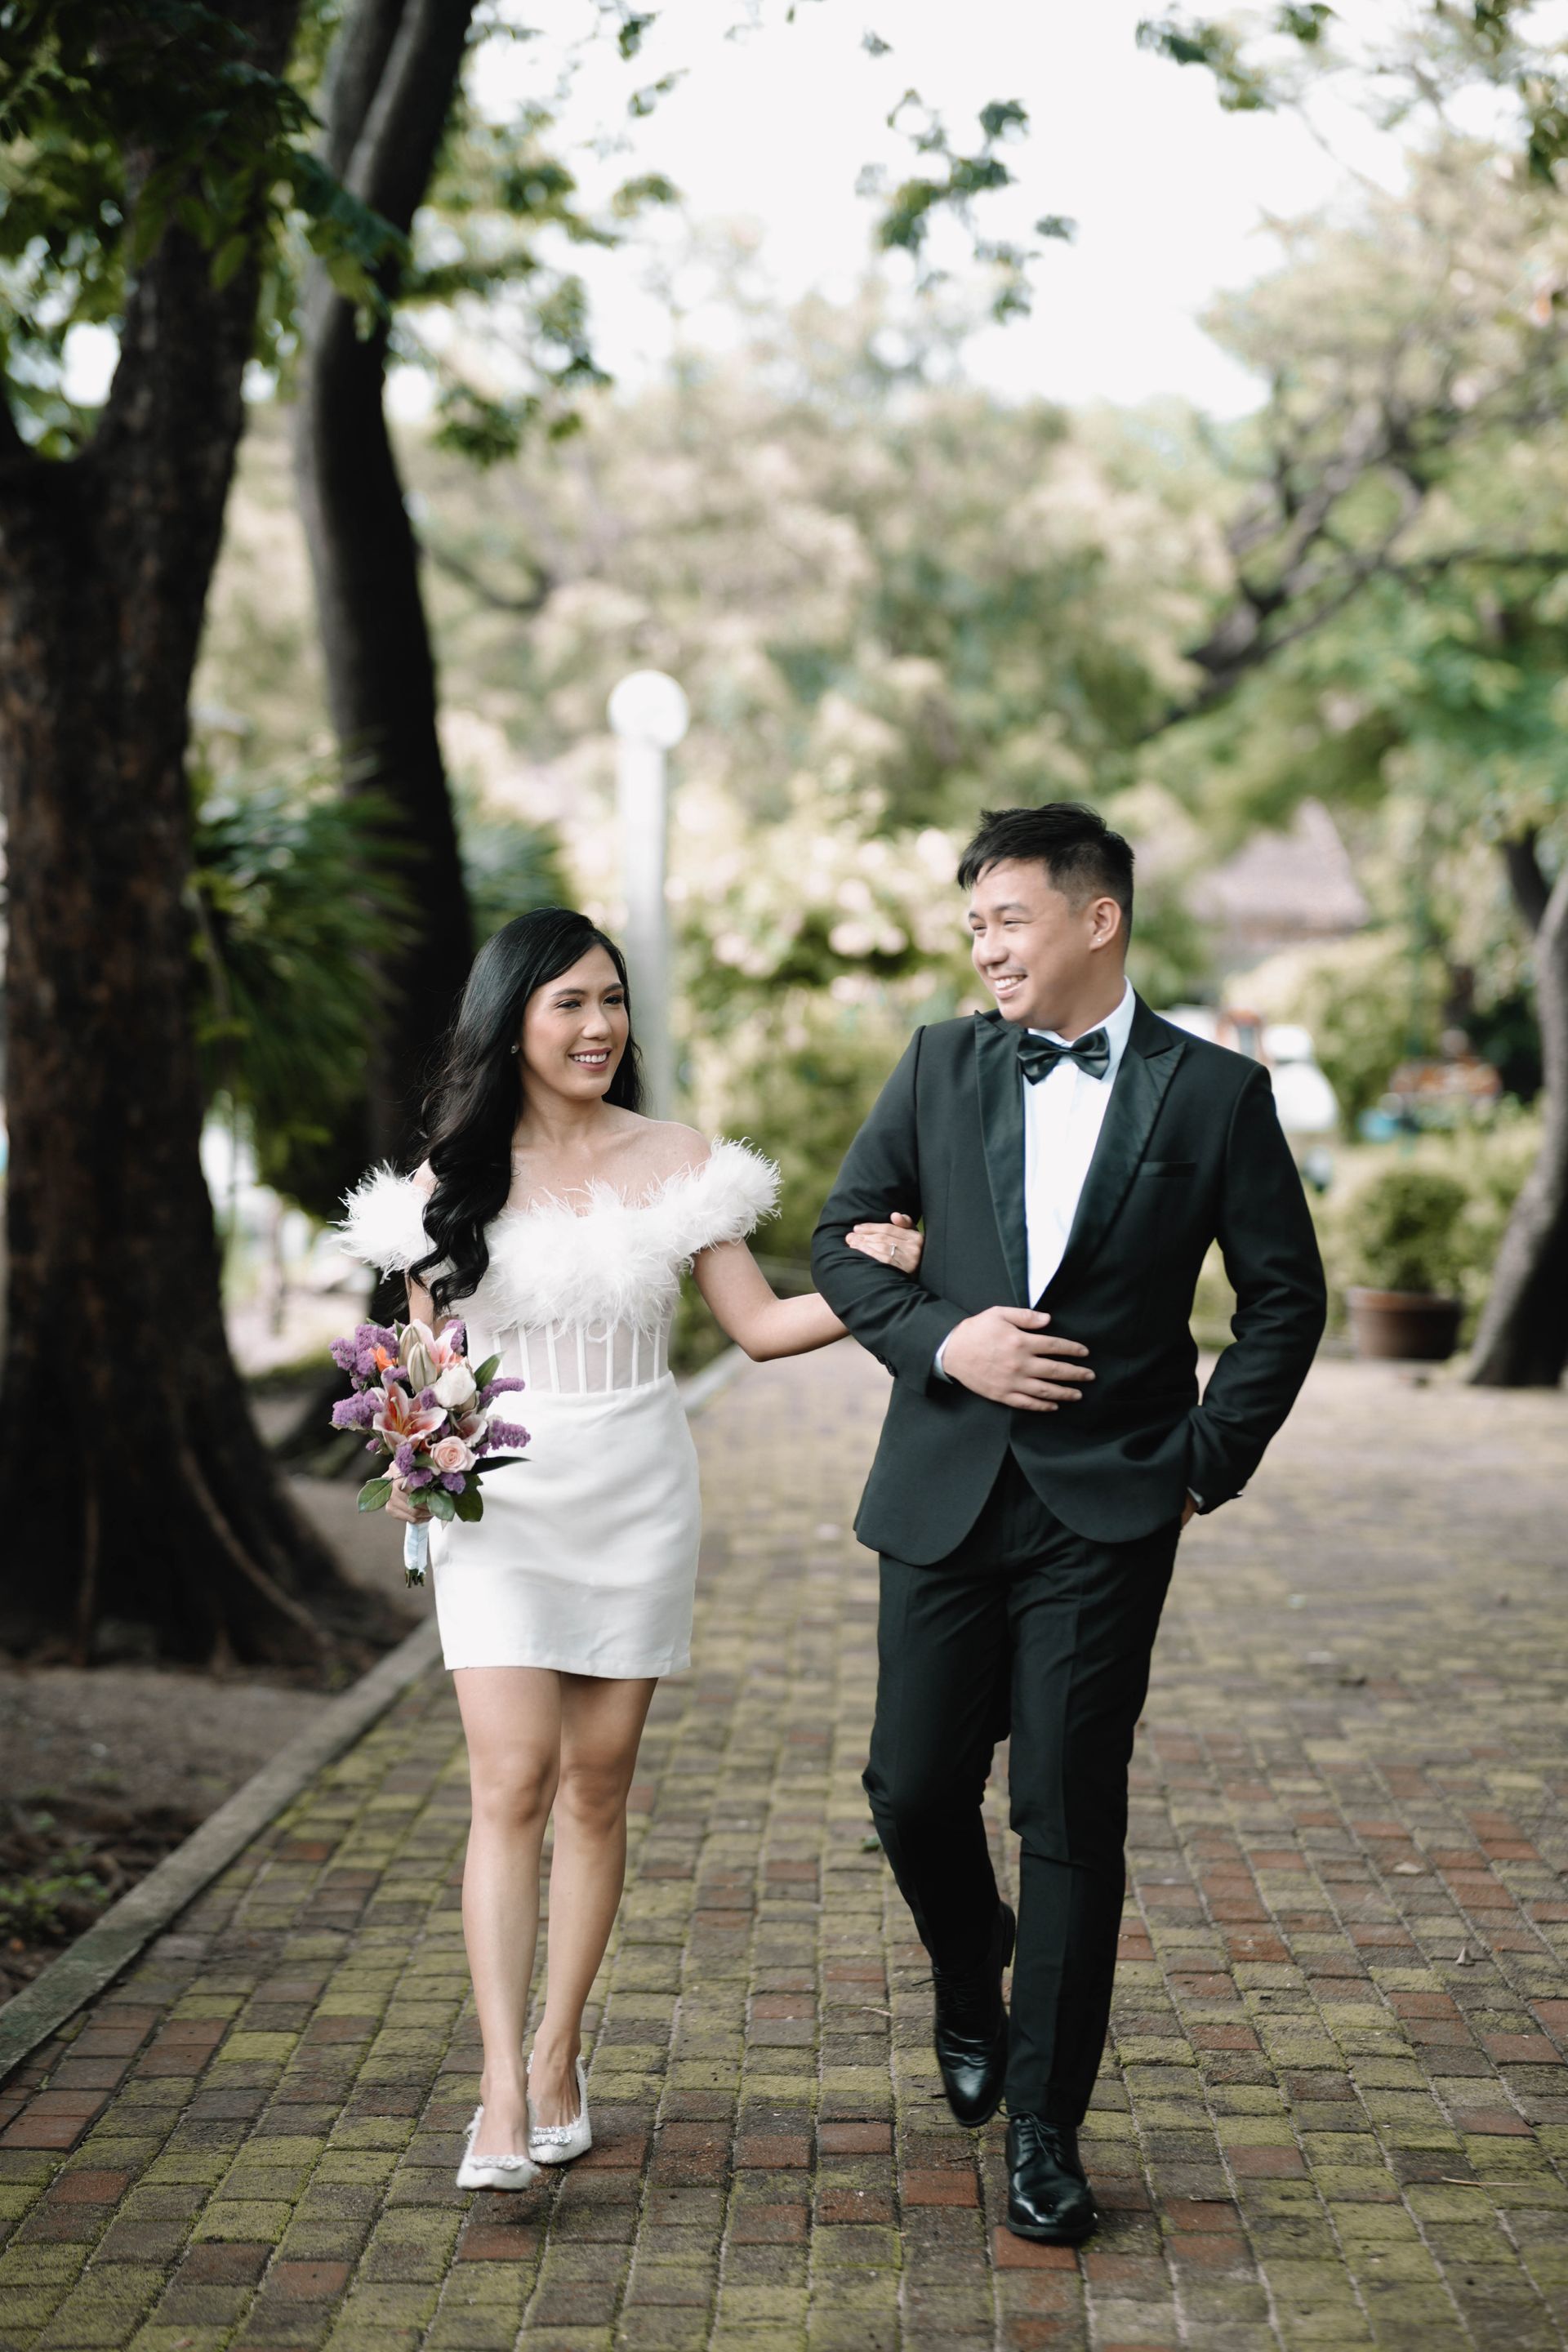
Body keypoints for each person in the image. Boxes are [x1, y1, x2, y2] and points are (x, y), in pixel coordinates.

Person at [340, 906, 923, 2193]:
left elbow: (758, 1327)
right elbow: (422, 1367)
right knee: (511, 1783)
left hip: (639, 1488)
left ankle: (559, 2058)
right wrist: (411, 1468)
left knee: (597, 1789)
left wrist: (881, 1276)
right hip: (499, 1505)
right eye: (571, 1003)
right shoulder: (446, 1183)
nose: (600, 1024)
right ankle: (500, 2090)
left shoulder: (676, 1158)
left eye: (611, 1000)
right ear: (512, 1022)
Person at [811, 804, 1325, 2245]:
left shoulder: (1215, 1094)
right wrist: (945, 1341)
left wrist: (1200, 1465)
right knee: (912, 1788)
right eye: (973, 925)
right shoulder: (939, 1063)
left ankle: (1047, 2127)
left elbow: (1285, 1298)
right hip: (942, 1488)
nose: (985, 948)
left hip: (1110, 1508)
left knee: (1067, 1809)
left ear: (1098, 919)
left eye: (1008, 919)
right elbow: (840, 1242)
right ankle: (968, 1968)